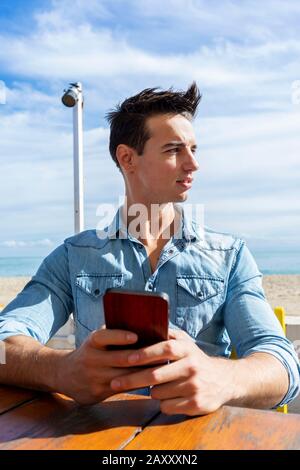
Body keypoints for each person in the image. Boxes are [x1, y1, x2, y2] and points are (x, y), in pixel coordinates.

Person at [0, 83, 299, 416]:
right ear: (127, 158)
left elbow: (283, 366)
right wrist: (61, 370)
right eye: (174, 149)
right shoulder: (73, 255)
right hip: (98, 441)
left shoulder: (231, 255)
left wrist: (221, 377)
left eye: (194, 149)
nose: (193, 164)